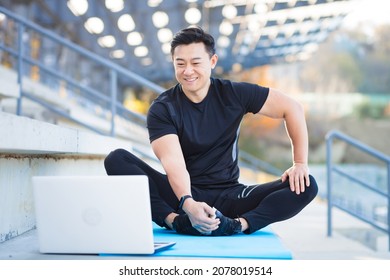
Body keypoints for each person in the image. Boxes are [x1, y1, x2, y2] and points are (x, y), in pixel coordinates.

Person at [104, 26, 318, 236]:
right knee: (117, 160)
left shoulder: (234, 94)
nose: (188, 71)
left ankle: (236, 225)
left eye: (196, 63)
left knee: (306, 186)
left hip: (232, 196)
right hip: (181, 195)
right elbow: (173, 163)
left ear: (212, 62)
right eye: (180, 64)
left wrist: (300, 164)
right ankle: (175, 222)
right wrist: (187, 202)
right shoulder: (163, 108)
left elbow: (293, 108)